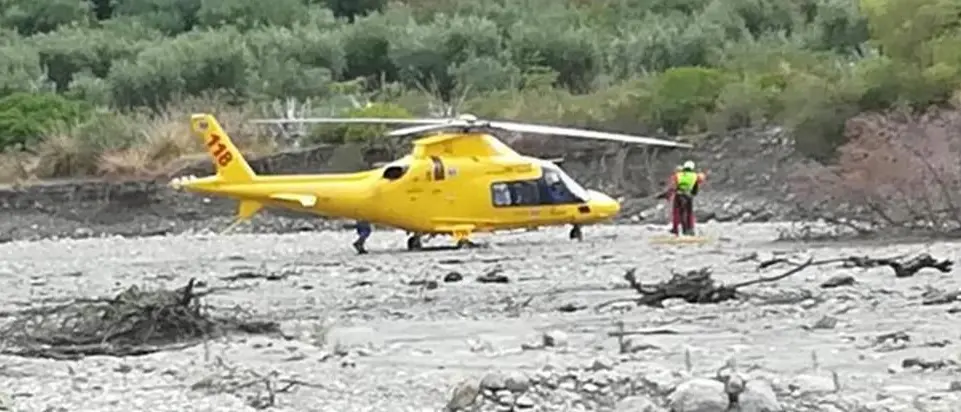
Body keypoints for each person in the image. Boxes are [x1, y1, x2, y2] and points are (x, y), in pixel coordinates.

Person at [659, 161, 705, 236]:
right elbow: (698, 184)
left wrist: (667, 195)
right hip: (689, 196)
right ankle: (689, 229)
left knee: (677, 213)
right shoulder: (695, 175)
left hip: (679, 195)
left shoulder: (678, 175)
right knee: (689, 213)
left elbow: (673, 186)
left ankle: (676, 229)